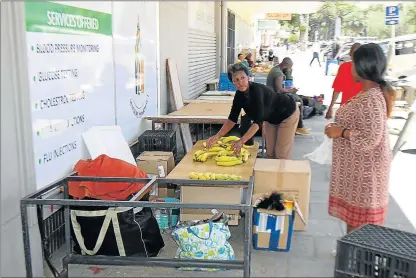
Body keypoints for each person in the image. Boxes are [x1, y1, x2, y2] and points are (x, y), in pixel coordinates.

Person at [324, 43, 395, 235]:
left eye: (353, 63)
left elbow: (371, 138)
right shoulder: (368, 92)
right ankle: (351, 256)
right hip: (357, 173)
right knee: (354, 227)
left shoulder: (371, 98)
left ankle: (354, 260)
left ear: (363, 66)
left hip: (365, 175)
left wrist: (341, 132)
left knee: (360, 228)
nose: (350, 68)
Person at [207, 63, 299, 159]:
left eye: (243, 78)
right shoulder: (239, 96)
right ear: (232, 82)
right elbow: (232, 118)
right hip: (271, 118)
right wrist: (217, 136)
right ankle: (273, 173)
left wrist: (241, 141)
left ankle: (282, 173)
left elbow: (258, 122)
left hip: (288, 112)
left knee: (281, 153)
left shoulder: (257, 91)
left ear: (248, 77)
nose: (240, 82)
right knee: (270, 152)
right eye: (236, 80)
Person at [266, 57, 311, 136]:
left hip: (272, 95)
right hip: (275, 97)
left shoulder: (276, 69)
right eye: (289, 67)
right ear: (285, 65)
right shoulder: (278, 73)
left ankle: (299, 125)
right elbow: (279, 90)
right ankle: (299, 126)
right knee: (299, 100)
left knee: (298, 97)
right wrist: (291, 91)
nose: (290, 69)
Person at [325, 43, 362, 119]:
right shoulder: (344, 67)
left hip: (362, 110)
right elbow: (337, 89)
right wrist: (330, 108)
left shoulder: (367, 70)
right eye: (354, 54)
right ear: (350, 54)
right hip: (346, 109)